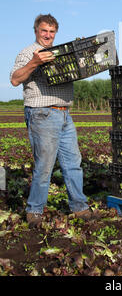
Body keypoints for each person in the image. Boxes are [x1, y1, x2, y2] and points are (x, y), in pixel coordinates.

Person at [10, 14, 98, 226]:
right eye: (44, 31)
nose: (48, 35)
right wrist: (34, 62)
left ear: (55, 33)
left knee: (73, 163)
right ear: (36, 31)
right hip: (43, 113)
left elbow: (82, 68)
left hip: (65, 113)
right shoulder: (28, 52)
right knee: (45, 165)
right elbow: (15, 79)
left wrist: (83, 52)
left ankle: (79, 207)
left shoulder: (60, 55)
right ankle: (35, 211)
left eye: (51, 31)